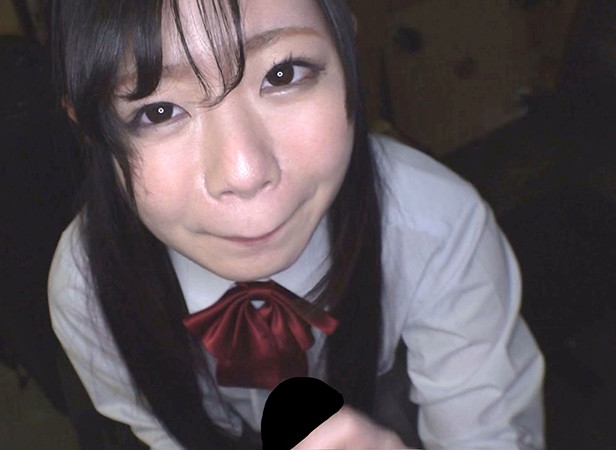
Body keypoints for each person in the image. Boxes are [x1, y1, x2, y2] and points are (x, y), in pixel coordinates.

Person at [47, 0, 546, 448]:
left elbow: (489, 432)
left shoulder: (434, 227)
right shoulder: (89, 288)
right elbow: (157, 429)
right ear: (89, 128)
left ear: (346, 50)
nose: (244, 173)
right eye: (159, 111)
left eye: (283, 73)